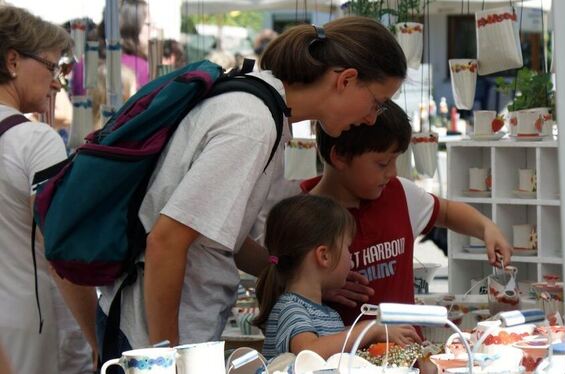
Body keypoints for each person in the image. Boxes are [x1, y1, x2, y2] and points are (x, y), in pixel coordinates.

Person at [97, 16, 407, 355]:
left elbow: (218, 233)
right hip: (150, 341)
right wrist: (168, 357)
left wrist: (303, 276)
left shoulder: (265, 112)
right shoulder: (252, 124)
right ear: (346, 80)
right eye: (376, 103)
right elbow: (166, 242)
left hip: (165, 334)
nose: (372, 119)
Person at [296, 100, 512, 326]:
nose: (393, 172)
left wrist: (487, 227)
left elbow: (446, 212)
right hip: (342, 356)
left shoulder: (399, 193)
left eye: (396, 160)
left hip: (408, 352)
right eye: (382, 163)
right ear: (339, 156)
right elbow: (279, 279)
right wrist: (315, 288)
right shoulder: (303, 218)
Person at [0, 5, 97, 373]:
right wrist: (96, 336)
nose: (58, 81)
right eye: (54, 66)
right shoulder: (35, 140)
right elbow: (61, 252)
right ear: (13, 60)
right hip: (30, 329)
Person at [255, 194, 421, 359]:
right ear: (324, 256)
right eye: (347, 247)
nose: (351, 256)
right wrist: (370, 329)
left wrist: (379, 333)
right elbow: (308, 352)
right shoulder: (291, 309)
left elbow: (332, 345)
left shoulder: (326, 313)